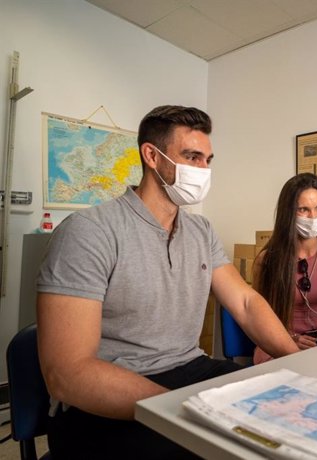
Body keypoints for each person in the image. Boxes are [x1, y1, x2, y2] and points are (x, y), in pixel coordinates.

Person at [36, 105, 299, 459]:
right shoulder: (89, 232)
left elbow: (246, 303)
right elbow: (68, 373)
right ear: (152, 156)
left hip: (191, 368)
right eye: (192, 157)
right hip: (107, 394)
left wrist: (296, 360)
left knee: (287, 418)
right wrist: (181, 411)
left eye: (208, 160)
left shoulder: (201, 231)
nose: (203, 171)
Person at [252, 173, 317, 364]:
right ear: (288, 213)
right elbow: (256, 317)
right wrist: (290, 341)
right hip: (278, 349)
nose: (313, 217)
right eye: (303, 210)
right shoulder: (267, 259)